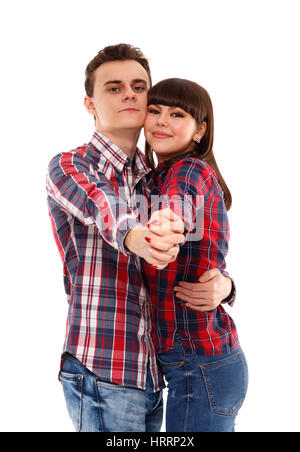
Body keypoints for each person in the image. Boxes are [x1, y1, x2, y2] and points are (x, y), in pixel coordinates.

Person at [46, 44, 235, 432]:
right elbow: (104, 208)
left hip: (157, 374)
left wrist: (226, 286)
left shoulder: (159, 174)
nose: (129, 94)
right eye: (114, 88)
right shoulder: (70, 165)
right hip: (104, 370)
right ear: (90, 103)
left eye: (138, 86)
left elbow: (198, 249)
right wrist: (140, 236)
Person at [142, 78, 248, 432]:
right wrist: (228, 286)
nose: (160, 121)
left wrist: (168, 222)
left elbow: (179, 201)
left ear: (199, 130)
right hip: (197, 365)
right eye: (154, 110)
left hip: (200, 365)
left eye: (176, 114)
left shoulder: (189, 170)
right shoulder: (156, 176)